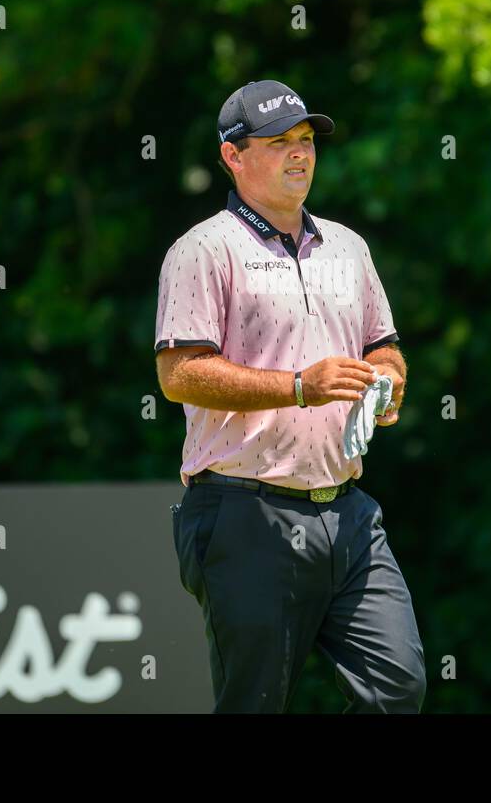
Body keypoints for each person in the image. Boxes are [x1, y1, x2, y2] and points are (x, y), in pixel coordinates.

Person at [154, 78, 426, 713]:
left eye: (306, 141)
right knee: (255, 703)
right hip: (244, 512)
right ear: (234, 155)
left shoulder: (348, 247)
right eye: (279, 143)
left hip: (348, 510)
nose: (300, 154)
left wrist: (388, 381)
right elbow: (180, 374)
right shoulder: (203, 249)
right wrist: (302, 387)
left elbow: (383, 345)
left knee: (397, 685)